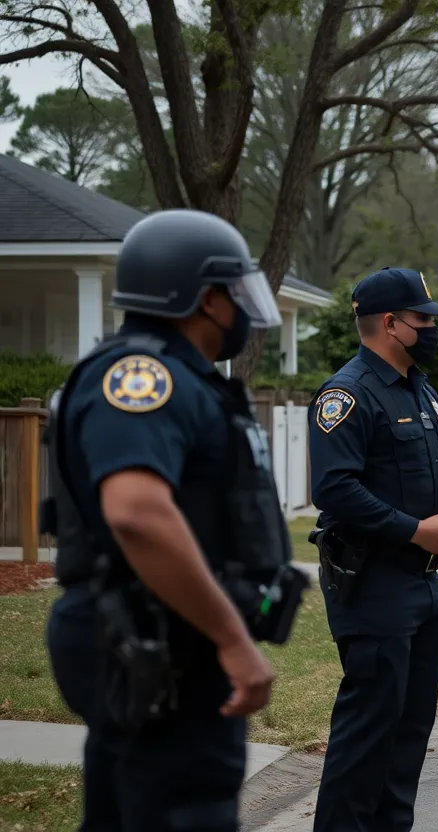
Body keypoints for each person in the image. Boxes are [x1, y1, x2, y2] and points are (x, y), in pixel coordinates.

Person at [43, 209, 299, 830]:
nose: (243, 307)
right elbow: (137, 515)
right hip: (154, 640)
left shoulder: (186, 379)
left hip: (163, 634)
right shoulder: (140, 376)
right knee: (184, 810)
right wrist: (234, 642)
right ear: (206, 298)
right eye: (236, 291)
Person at [309, 268, 438, 830]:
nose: (432, 329)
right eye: (423, 319)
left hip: (423, 585)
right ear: (390, 324)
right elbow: (335, 489)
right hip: (373, 583)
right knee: (368, 731)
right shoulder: (347, 394)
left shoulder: (421, 388)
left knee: (410, 732)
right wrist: (414, 530)